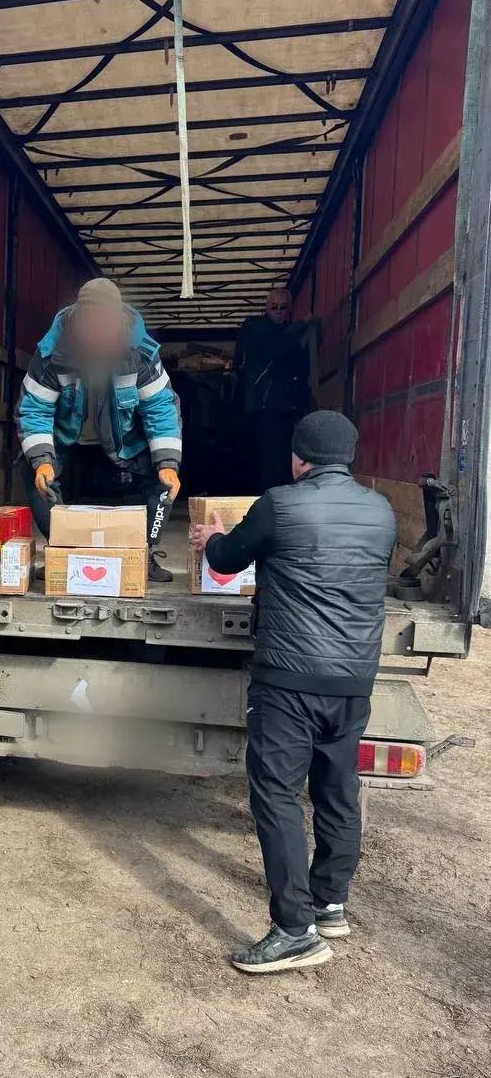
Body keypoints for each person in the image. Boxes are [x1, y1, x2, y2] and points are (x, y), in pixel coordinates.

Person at [190, 411, 395, 975]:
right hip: (353, 678)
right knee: (337, 787)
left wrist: (211, 538)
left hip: (289, 676)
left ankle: (294, 930)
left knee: (277, 795)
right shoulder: (381, 511)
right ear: (348, 457)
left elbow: (227, 560)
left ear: (298, 457)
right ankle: (329, 903)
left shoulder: (280, 504)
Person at [15, 277, 183, 582]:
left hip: (123, 439)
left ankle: (144, 554)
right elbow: (34, 409)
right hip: (67, 436)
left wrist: (168, 464)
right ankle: (62, 552)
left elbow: (160, 408)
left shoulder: (141, 352)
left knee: (165, 482)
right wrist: (41, 461)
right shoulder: (51, 352)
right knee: (34, 474)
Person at [232, 287, 316, 493]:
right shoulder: (256, 328)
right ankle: (267, 496)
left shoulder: (286, 333)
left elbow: (301, 366)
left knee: (280, 456)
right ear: (266, 307)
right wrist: (301, 325)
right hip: (263, 406)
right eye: (274, 307)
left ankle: (275, 495)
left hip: (283, 407)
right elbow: (274, 349)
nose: (278, 311)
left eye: (283, 307)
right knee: (267, 457)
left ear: (289, 309)